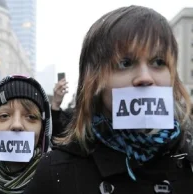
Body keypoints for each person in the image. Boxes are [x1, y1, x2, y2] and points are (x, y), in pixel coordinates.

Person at [24, 5, 193, 194]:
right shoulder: (56, 173)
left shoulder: (188, 162)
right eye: (125, 63)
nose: (145, 77)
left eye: (158, 62)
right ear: (94, 81)